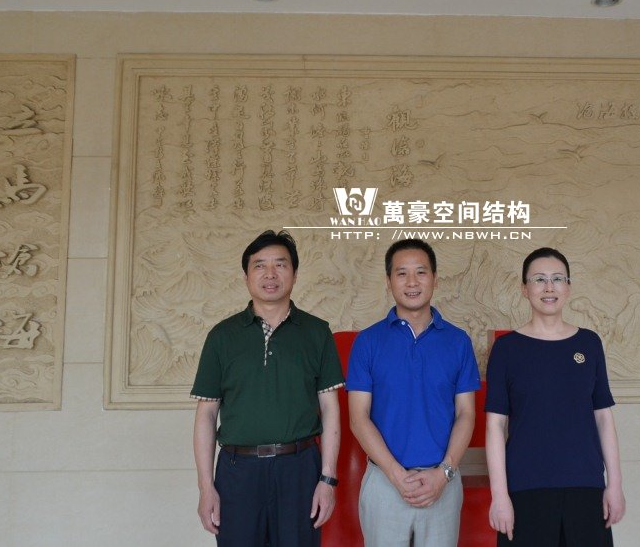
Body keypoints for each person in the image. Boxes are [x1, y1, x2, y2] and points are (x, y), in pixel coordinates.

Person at [191, 230, 344, 547]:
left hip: (299, 470)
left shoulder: (317, 333)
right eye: (260, 265)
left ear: (295, 274)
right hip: (238, 472)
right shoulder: (222, 336)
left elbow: (330, 408)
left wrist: (327, 480)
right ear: (246, 276)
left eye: (280, 264)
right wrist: (206, 487)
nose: (270, 274)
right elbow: (206, 414)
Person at [486, 247, 625, 546]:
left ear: (568, 287)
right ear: (525, 289)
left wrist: (614, 484)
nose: (549, 287)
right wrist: (499, 496)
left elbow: (603, 417)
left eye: (557, 279)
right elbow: (495, 425)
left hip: (586, 485)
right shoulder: (507, 349)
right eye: (539, 279)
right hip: (525, 489)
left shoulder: (589, 343)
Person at [346, 238, 481, 547]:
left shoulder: (458, 342)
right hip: (384, 481)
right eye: (401, 273)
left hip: (442, 480)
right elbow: (358, 418)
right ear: (388, 281)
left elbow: (466, 414)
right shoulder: (368, 342)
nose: (412, 282)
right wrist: (396, 475)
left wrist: (444, 473)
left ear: (435, 278)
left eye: (421, 272)